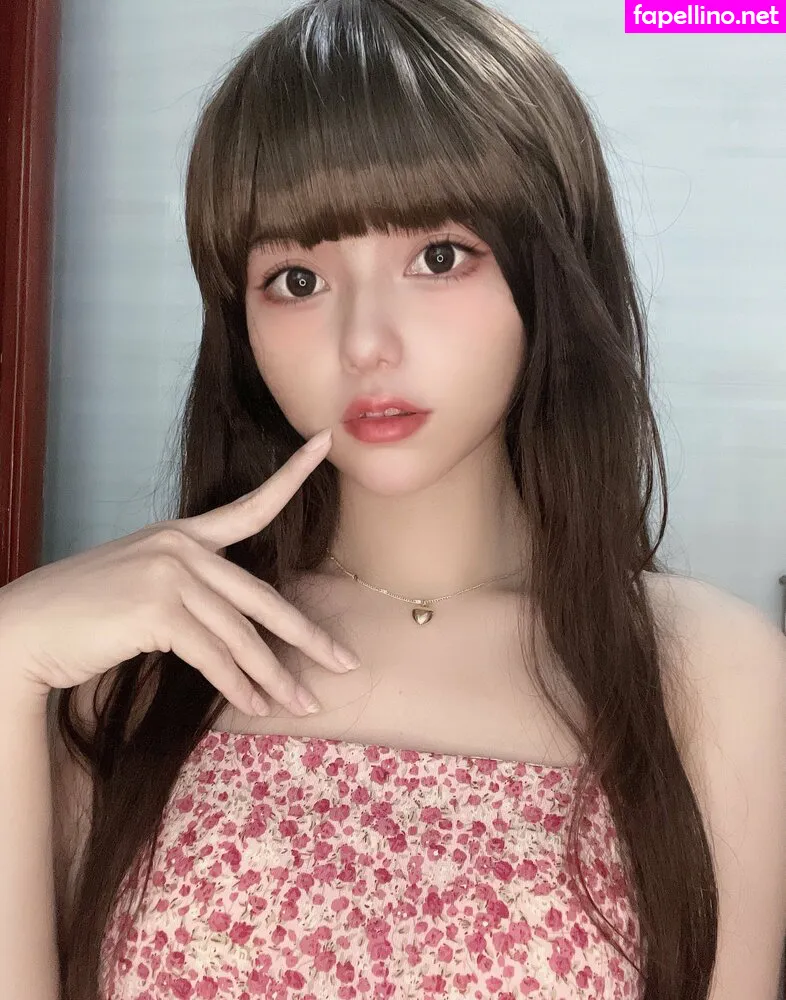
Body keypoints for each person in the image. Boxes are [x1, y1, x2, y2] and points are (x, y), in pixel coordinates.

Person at [1, 0, 784, 998]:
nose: (366, 341)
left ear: (551, 272)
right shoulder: (136, 671)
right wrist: (8, 653)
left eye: (439, 258)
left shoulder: (709, 675)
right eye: (296, 279)